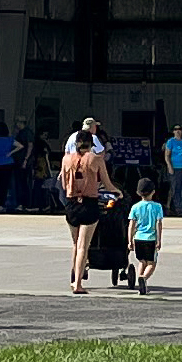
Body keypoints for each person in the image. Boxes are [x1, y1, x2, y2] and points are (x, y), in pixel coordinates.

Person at [60, 120, 112, 293]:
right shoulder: (95, 159)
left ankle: (74, 276)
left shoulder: (66, 159)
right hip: (89, 203)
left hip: (71, 203)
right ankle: (78, 284)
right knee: (83, 245)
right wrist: (118, 192)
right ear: (91, 144)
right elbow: (107, 184)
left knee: (75, 244)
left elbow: (64, 184)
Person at [125, 180, 165, 294]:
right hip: (151, 239)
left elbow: (131, 225)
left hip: (138, 238)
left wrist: (130, 240)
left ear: (138, 193)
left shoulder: (135, 207)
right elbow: (158, 223)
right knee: (151, 263)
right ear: (153, 192)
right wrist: (159, 240)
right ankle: (144, 278)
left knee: (142, 261)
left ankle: (140, 281)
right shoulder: (157, 207)